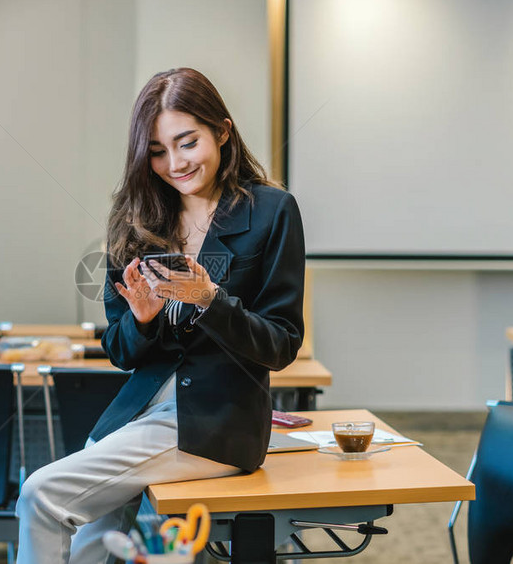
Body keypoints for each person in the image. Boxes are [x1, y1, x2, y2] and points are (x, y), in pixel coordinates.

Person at [16, 67, 305, 564]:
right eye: (156, 151)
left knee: (41, 495)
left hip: (215, 424)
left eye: (187, 142)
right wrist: (143, 319)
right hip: (136, 414)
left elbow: (280, 345)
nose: (174, 163)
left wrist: (209, 300)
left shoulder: (272, 211)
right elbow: (121, 353)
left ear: (223, 131)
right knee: (87, 542)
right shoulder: (134, 220)